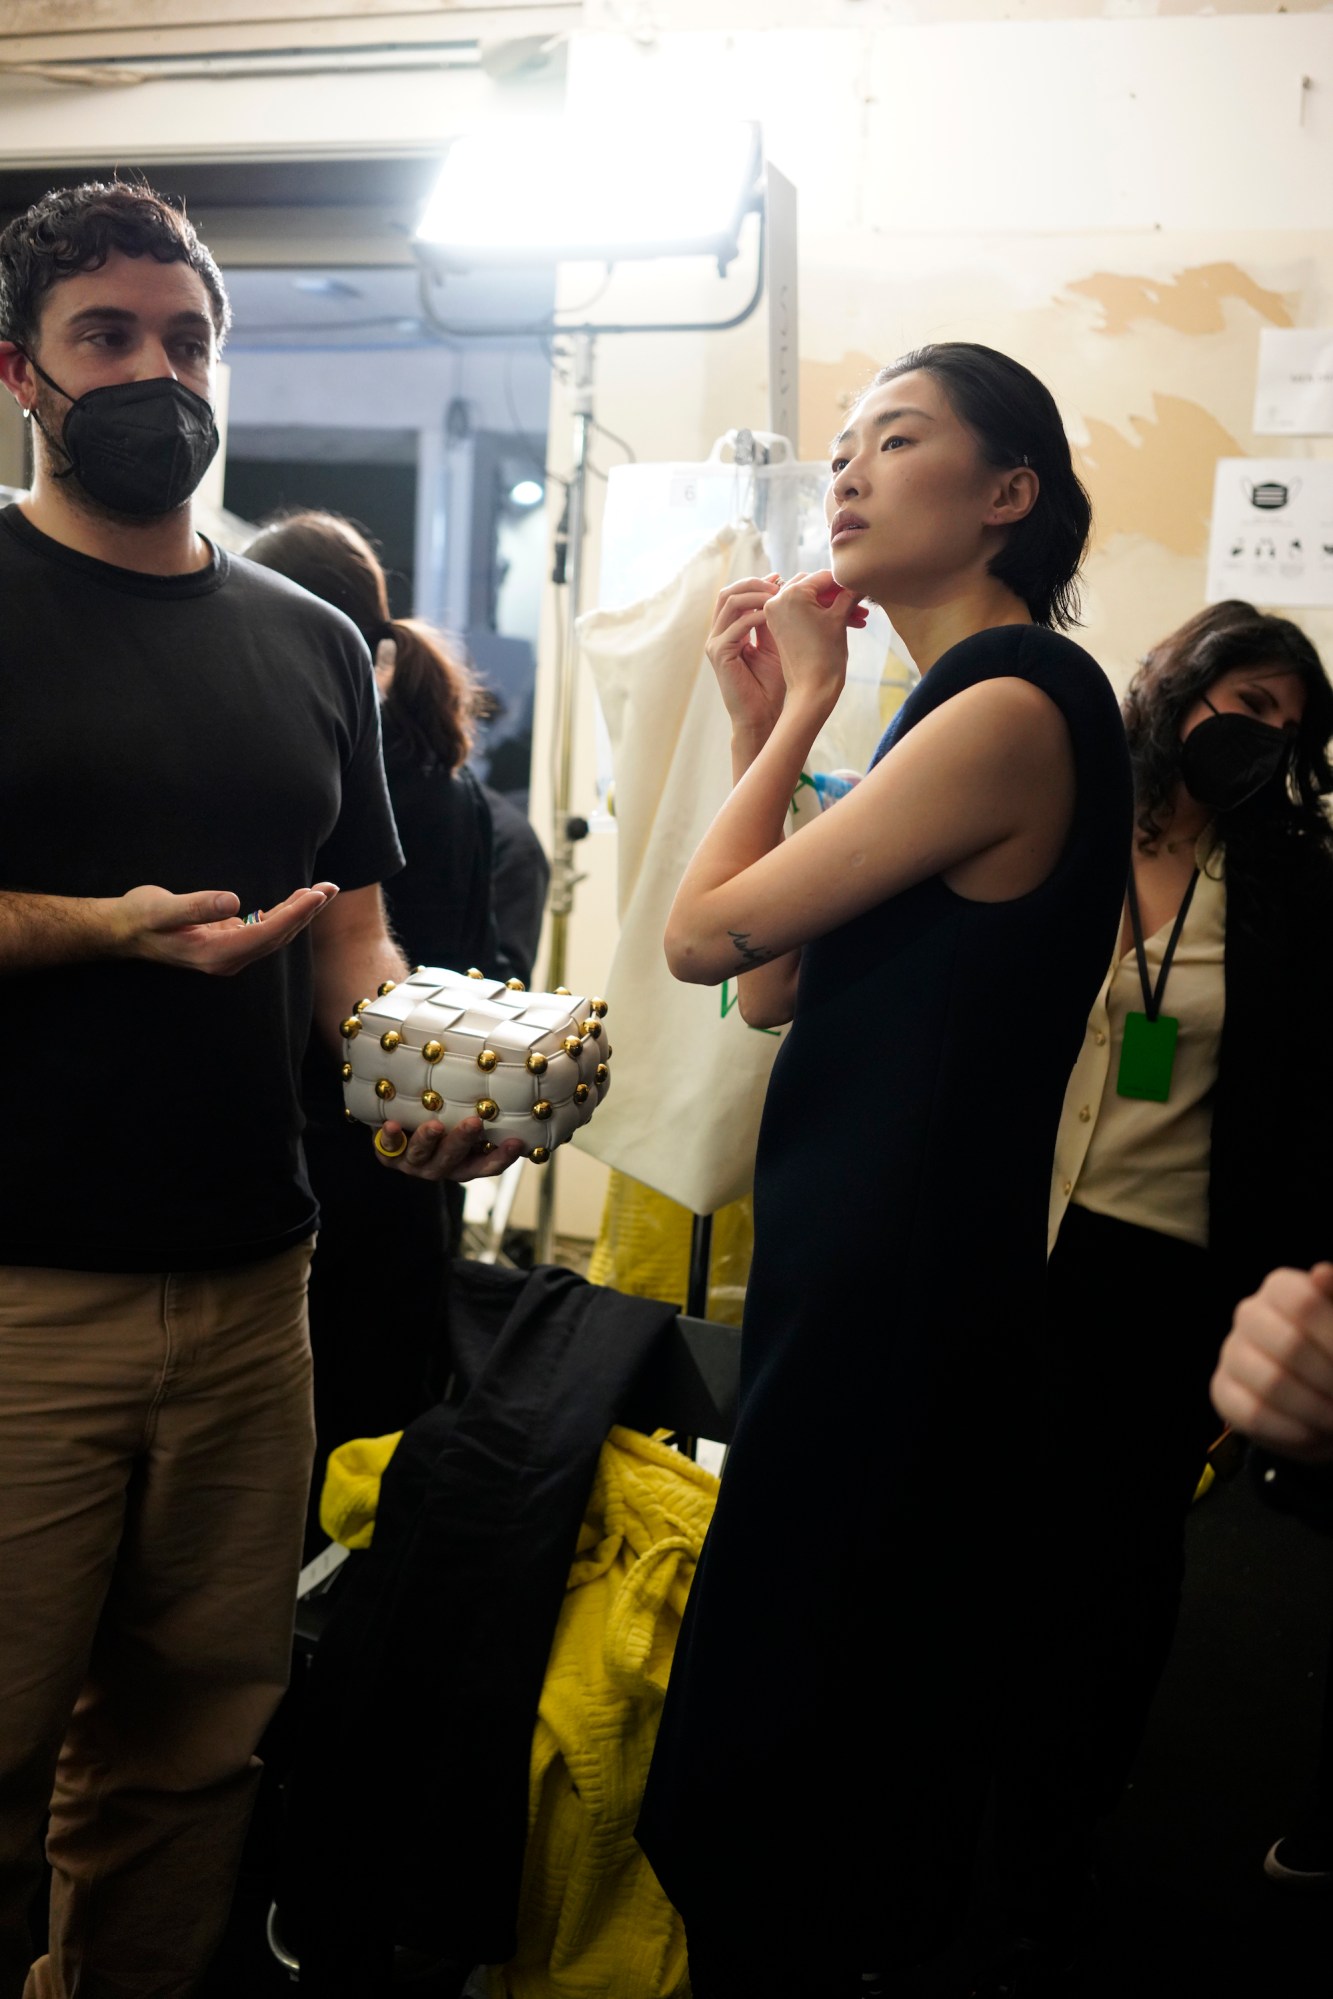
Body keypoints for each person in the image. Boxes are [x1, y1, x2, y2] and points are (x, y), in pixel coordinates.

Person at [0, 180, 520, 1999]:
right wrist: (96, 928)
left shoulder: (310, 637)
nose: (158, 370)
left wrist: (423, 1084)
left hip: (253, 1290)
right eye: (108, 337)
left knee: (192, 1745)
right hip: (21, 1299)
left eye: (189, 337)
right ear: (24, 374)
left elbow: (348, 944)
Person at [635, 342, 1134, 1995]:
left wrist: (798, 716)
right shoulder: (953, 707)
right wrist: (768, 720)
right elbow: (769, 982)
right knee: (797, 1710)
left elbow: (704, 928)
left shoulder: (1006, 704)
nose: (844, 469)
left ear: (1009, 495)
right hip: (858, 1277)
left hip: (901, 1298)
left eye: (894, 438)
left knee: (794, 1746)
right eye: (840, 442)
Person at [980, 601, 1333, 1993]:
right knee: (973, 1527)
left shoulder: (1295, 883)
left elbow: (1303, 1108)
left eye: (1291, 727)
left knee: (1113, 1576)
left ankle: (1051, 1852)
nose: (1263, 739)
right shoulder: (1059, 818)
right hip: (1012, 1235)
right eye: (1245, 702)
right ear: (1176, 687)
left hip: (1164, 1265)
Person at [245, 511, 525, 1515]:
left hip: (339, 1145)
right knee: (376, 1461)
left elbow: (353, 952)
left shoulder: (322, 785)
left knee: (316, 1456)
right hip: (412, 1130)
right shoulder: (457, 788)